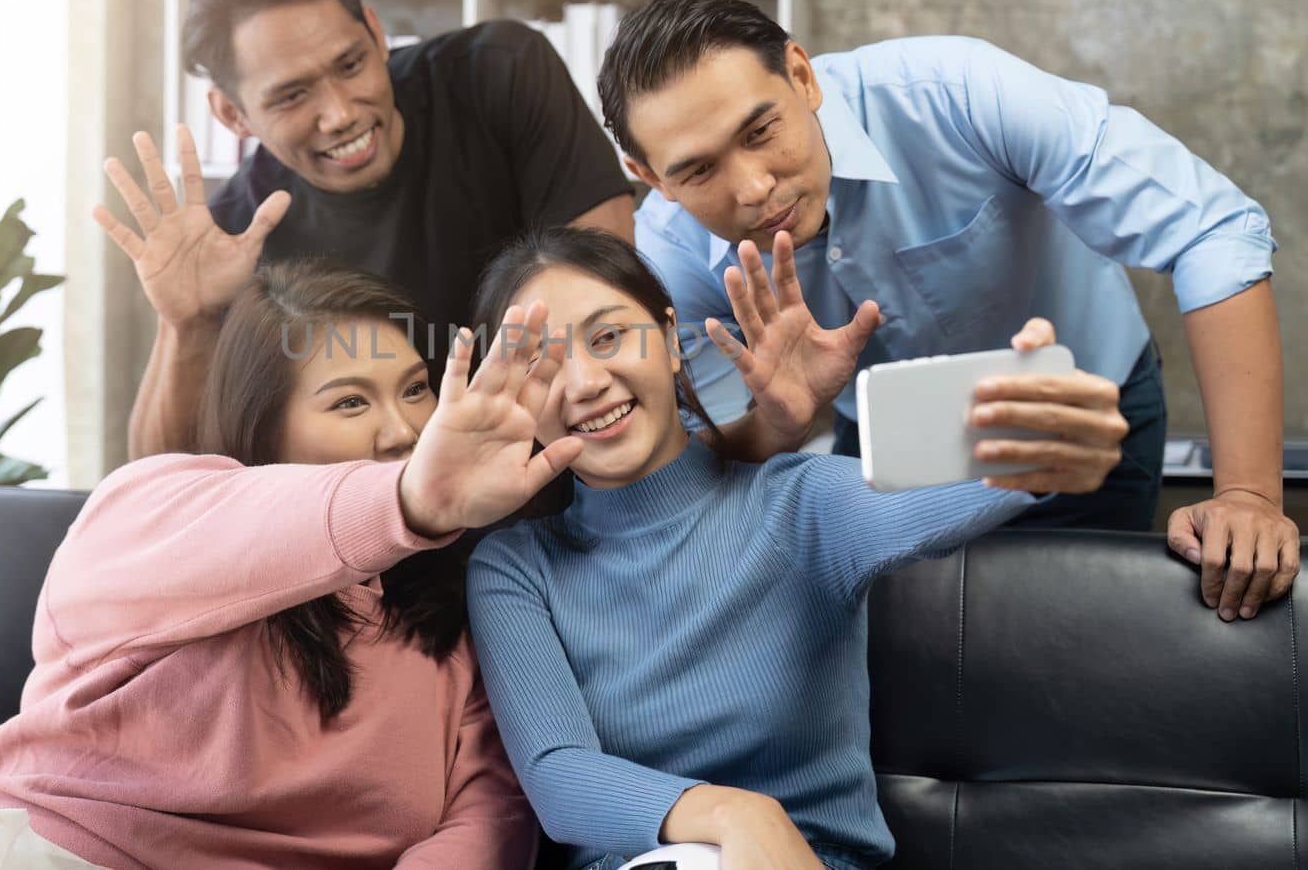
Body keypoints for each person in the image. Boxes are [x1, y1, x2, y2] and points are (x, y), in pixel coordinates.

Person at [461, 227, 1203, 870]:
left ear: (668, 337)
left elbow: (969, 489)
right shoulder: (516, 566)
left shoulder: (798, 503)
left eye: (607, 336)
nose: (586, 382)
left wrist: (1045, 441)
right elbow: (559, 777)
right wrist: (734, 814)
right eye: (541, 365)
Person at [600, 0, 1296, 618]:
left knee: (1080, 655)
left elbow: (1210, 227)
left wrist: (1250, 494)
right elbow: (681, 469)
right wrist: (780, 424)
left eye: (760, 132)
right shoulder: (669, 254)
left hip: (1083, 417)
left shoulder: (958, 91)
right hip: (882, 452)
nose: (753, 189)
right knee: (909, 682)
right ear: (646, 175)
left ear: (803, 77)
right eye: (697, 170)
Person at [0, 259, 587, 869]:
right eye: (349, 400)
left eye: (413, 388)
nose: (404, 428)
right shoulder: (151, 511)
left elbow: (485, 823)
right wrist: (413, 499)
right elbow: (272, 521)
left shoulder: (453, 623)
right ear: (265, 422)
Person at [95, 0, 634, 459]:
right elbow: (159, 481)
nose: (341, 113)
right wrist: (188, 323)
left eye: (350, 65)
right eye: (292, 95)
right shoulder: (237, 233)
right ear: (233, 115)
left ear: (376, 34)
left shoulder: (499, 72)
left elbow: (607, 303)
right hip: (382, 510)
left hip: (564, 450)